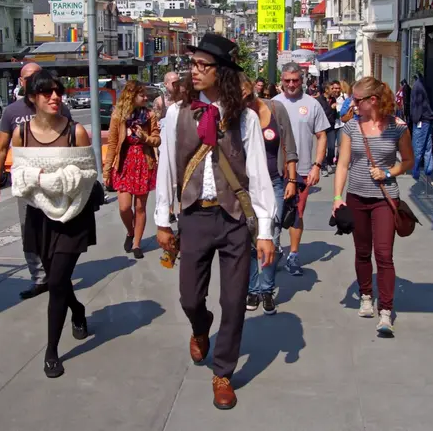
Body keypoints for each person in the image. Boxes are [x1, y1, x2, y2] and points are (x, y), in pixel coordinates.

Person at [155, 33, 276, 410]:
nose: (194, 71)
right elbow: (166, 167)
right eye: (192, 64)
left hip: (234, 217)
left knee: (235, 300)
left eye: (202, 65)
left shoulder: (245, 117)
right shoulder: (175, 114)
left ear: (220, 71)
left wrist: (266, 231)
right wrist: (162, 219)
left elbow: (258, 174)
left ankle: (223, 372)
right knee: (190, 297)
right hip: (193, 215)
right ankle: (200, 325)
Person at [10, 70, 97, 377]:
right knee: (55, 281)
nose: (55, 97)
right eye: (47, 93)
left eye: (58, 91)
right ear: (33, 98)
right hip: (39, 216)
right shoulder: (22, 134)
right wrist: (43, 180)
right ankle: (77, 309)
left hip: (73, 215)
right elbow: (19, 177)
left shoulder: (76, 132)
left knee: (58, 281)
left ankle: (51, 352)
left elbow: (87, 176)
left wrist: (54, 180)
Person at [332, 77, 414, 335]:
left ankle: (386, 311)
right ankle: (366, 295)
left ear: (373, 100)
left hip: (384, 199)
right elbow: (342, 164)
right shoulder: (351, 127)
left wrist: (388, 172)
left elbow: (408, 161)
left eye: (357, 100)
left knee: (384, 254)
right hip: (356, 197)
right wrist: (337, 197)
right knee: (362, 251)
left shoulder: (398, 127)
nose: (352, 105)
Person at [0, 62, 72, 300]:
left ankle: (57, 274)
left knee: (58, 230)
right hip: (27, 184)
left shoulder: (58, 105)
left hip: (55, 182)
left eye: (37, 76)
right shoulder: (12, 112)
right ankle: (39, 278)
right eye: (28, 78)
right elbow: (1, 148)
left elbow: (71, 141)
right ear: (22, 82)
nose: (34, 80)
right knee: (30, 232)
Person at [241, 75, 298, 315]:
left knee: (272, 235)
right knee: (251, 237)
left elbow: (290, 146)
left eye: (246, 96)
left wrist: (292, 180)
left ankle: (266, 289)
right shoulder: (239, 116)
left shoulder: (275, 109)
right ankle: (252, 289)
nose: (244, 101)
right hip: (247, 186)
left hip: (275, 181)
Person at [273, 63, 330, 276]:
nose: (291, 84)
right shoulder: (273, 104)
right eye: (287, 80)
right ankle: (275, 249)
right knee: (273, 214)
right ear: (281, 80)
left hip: (302, 170)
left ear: (302, 80)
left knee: (296, 213)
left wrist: (317, 166)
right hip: (276, 170)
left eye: (295, 80)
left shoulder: (312, 104)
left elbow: (322, 136)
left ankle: (294, 255)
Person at [103, 82, 160, 259]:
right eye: (142, 95)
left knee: (140, 207)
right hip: (124, 164)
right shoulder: (118, 116)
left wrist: (145, 138)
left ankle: (137, 244)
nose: (146, 98)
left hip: (144, 162)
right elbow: (112, 144)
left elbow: (157, 140)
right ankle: (130, 231)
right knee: (124, 207)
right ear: (131, 96)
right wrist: (107, 170)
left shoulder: (149, 115)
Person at [410, 73, 433, 180]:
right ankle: (428, 170)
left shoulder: (417, 86)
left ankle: (415, 172)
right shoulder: (423, 85)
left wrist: (415, 120)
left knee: (417, 147)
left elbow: (417, 105)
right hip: (428, 119)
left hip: (421, 120)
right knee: (428, 147)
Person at [317, 81, 338, 177]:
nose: (333, 90)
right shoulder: (319, 100)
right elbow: (322, 113)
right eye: (331, 88)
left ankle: (329, 162)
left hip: (331, 126)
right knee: (322, 148)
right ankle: (323, 167)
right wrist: (331, 107)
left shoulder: (333, 99)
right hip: (321, 127)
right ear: (326, 90)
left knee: (331, 147)